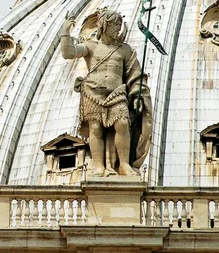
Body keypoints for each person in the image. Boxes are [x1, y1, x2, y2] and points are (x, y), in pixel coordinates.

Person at [60, 10, 152, 177]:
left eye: (119, 24)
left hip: (117, 93)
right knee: (96, 128)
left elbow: (135, 75)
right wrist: (65, 33)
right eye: (114, 24)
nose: (117, 28)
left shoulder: (125, 50)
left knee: (123, 124)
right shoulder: (91, 46)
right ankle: (98, 167)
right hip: (92, 92)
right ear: (104, 25)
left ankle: (124, 164)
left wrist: (137, 94)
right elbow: (69, 53)